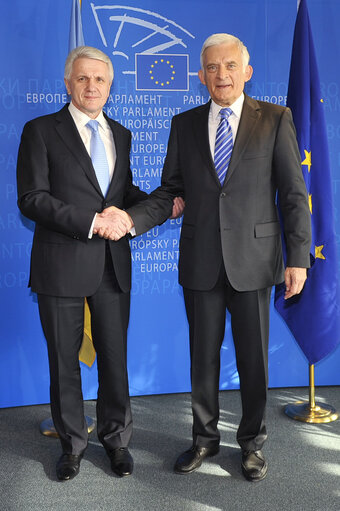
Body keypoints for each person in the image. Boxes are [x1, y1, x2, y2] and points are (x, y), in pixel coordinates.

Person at [131, 33, 312, 482]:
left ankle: (251, 444)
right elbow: (171, 192)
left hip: (255, 260)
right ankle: (204, 439)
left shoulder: (275, 118)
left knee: (254, 360)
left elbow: (293, 193)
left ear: (246, 72)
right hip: (202, 261)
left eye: (230, 66)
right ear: (201, 75)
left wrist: (299, 258)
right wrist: (131, 219)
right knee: (202, 358)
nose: (221, 75)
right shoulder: (184, 124)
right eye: (212, 67)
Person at [16, 46, 174, 481]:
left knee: (115, 359)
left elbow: (119, 197)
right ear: (68, 84)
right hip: (61, 264)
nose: (91, 86)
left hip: (112, 267)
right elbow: (32, 199)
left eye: (100, 80)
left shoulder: (120, 134)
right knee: (64, 362)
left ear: (110, 86)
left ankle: (116, 442)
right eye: (82, 79)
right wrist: (92, 222)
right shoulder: (41, 130)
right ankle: (72, 447)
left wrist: (164, 205)